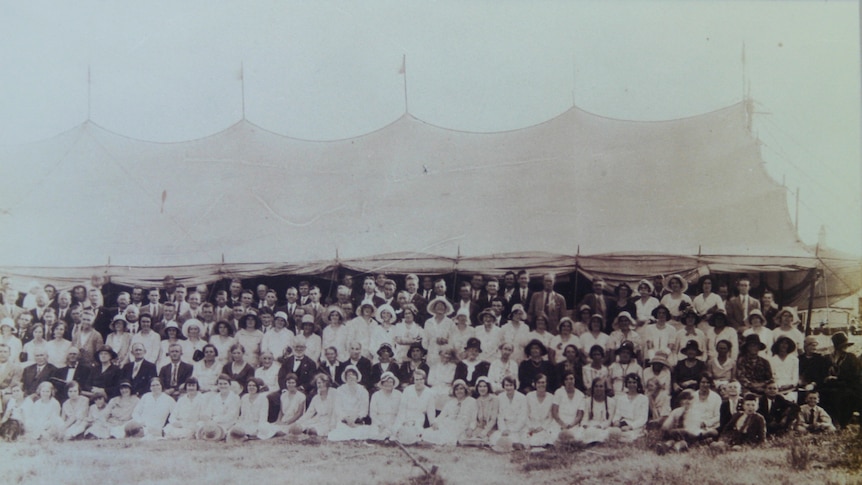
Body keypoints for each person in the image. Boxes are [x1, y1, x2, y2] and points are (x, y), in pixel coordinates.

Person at [423, 379, 477, 446]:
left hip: (462, 426)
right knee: (429, 433)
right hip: (449, 423)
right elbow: (442, 415)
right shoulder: (450, 402)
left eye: (461, 389)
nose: (459, 391)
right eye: (456, 389)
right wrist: (435, 422)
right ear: (454, 391)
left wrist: (471, 428)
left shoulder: (472, 401)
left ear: (465, 389)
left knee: (450, 437)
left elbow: (474, 419)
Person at [392, 369, 436, 444]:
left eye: (421, 379)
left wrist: (432, 423)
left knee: (416, 434)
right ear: (413, 380)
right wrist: (402, 421)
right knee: (398, 432)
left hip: (419, 418)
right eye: (416, 379)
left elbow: (430, 410)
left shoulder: (430, 392)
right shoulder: (407, 390)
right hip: (405, 416)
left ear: (424, 379)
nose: (418, 382)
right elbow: (402, 408)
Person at [328, 365, 371, 441]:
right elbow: (338, 408)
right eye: (348, 375)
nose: (351, 377)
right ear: (345, 378)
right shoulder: (340, 390)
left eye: (353, 375)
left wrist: (355, 418)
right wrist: (346, 418)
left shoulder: (363, 391)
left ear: (357, 377)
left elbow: (364, 410)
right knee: (338, 434)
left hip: (358, 420)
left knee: (362, 433)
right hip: (344, 420)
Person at [259, 372, 305, 439]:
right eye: (289, 382)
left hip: (295, 421)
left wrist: (288, 422)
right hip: (284, 420)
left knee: (282, 431)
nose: (290, 385)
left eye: (293, 383)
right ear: (286, 383)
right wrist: (278, 420)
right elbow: (281, 411)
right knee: (266, 427)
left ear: (296, 384)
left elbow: (299, 413)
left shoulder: (301, 396)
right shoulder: (283, 395)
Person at [197, 374, 241, 441]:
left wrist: (214, 420)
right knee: (199, 424)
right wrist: (208, 420)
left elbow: (231, 416)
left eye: (225, 384)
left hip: (228, 422)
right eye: (220, 384)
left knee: (224, 429)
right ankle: (209, 435)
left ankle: (217, 435)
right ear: (217, 385)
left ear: (229, 385)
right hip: (212, 422)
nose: (222, 386)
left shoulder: (235, 397)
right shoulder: (214, 397)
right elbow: (208, 412)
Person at [489, 376, 527, 450]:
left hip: (517, 427)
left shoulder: (522, 397)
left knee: (517, 438)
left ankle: (514, 444)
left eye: (511, 385)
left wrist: (511, 430)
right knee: (494, 438)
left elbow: (522, 418)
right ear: (503, 386)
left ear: (514, 386)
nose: (508, 388)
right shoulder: (500, 397)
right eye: (506, 385)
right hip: (505, 426)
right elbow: (500, 417)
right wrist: (504, 429)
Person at [228, 377, 271, 441]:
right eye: (249, 385)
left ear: (258, 387)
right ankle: (245, 436)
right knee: (233, 430)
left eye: (254, 386)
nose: (251, 387)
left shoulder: (263, 398)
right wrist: (239, 423)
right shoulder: (244, 397)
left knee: (263, 429)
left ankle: (248, 436)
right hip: (246, 422)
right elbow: (242, 415)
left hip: (258, 423)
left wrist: (259, 428)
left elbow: (263, 416)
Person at [578, 378, 616, 444]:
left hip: (603, 427)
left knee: (610, 433)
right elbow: (585, 418)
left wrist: (600, 426)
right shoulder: (587, 401)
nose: (598, 388)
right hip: (590, 426)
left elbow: (609, 420)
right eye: (596, 386)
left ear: (605, 388)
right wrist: (585, 425)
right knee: (581, 433)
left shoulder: (611, 402)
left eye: (601, 386)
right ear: (593, 388)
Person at [611, 373, 649, 442]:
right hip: (623, 425)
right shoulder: (621, 398)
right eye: (629, 382)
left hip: (636, 426)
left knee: (629, 436)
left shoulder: (643, 399)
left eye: (634, 382)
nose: (632, 385)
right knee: (612, 432)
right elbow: (617, 414)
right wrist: (616, 421)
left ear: (638, 384)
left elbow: (643, 418)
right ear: (626, 384)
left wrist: (630, 427)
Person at [552, 371, 586, 441]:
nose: (569, 381)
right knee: (555, 437)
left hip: (573, 423)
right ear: (564, 381)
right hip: (559, 422)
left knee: (576, 438)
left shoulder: (580, 395)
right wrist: (562, 424)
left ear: (575, 380)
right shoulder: (558, 392)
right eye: (566, 379)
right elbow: (554, 412)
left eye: (571, 379)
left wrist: (571, 425)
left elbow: (579, 415)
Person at [367, 371, 401, 441]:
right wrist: (380, 424)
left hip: (394, 421)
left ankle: (389, 436)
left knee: (399, 433)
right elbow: (373, 413)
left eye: (390, 382)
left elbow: (401, 412)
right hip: (380, 421)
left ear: (393, 383)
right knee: (373, 433)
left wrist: (395, 424)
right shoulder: (376, 395)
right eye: (386, 382)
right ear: (382, 383)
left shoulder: (399, 394)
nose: (388, 384)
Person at [423, 298, 454, 367]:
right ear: (434, 308)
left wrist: (445, 341)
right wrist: (432, 345)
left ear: (446, 309)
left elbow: (453, 340)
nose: (440, 308)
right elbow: (424, 341)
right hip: (432, 353)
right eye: (438, 306)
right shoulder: (428, 322)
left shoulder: (450, 322)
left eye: (442, 306)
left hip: (445, 354)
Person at [466, 376, 497, 445]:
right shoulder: (477, 400)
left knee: (491, 440)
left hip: (492, 429)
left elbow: (493, 420)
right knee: (467, 438)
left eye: (484, 386)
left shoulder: (494, 399)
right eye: (480, 386)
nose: (482, 389)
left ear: (488, 387)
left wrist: (484, 432)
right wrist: (471, 429)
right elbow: (475, 418)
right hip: (480, 428)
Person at [769, 336, 799, 402]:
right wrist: (778, 386)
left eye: (786, 343)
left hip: (791, 389)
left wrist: (789, 385)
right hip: (776, 389)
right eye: (781, 343)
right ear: (778, 345)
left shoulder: (794, 360)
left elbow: (795, 377)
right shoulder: (771, 360)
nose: (784, 345)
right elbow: (771, 376)